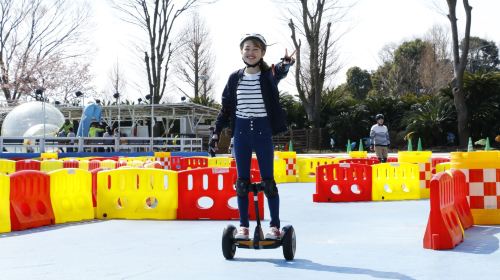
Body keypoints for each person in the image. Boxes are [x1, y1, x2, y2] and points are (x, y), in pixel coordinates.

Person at [209, 33, 295, 240]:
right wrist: (215, 133)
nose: (251, 52)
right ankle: (243, 227)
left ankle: (274, 226)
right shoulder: (234, 78)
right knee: (242, 182)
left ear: (263, 53)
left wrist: (285, 65)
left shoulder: (268, 75)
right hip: (241, 133)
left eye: (256, 49)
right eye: (247, 48)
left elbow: (279, 72)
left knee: (269, 182)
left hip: (263, 131)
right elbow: (225, 109)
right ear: (241, 51)